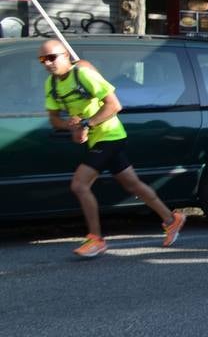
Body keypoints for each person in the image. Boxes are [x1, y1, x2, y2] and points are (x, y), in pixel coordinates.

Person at [39, 39, 187, 257]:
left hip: (109, 135)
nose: (48, 63)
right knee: (133, 185)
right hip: (96, 139)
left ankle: (96, 239)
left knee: (79, 185)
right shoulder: (51, 84)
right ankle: (171, 219)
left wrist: (87, 124)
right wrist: (71, 125)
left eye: (52, 57)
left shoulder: (84, 75)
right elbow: (54, 120)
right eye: (43, 59)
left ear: (65, 55)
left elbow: (114, 105)